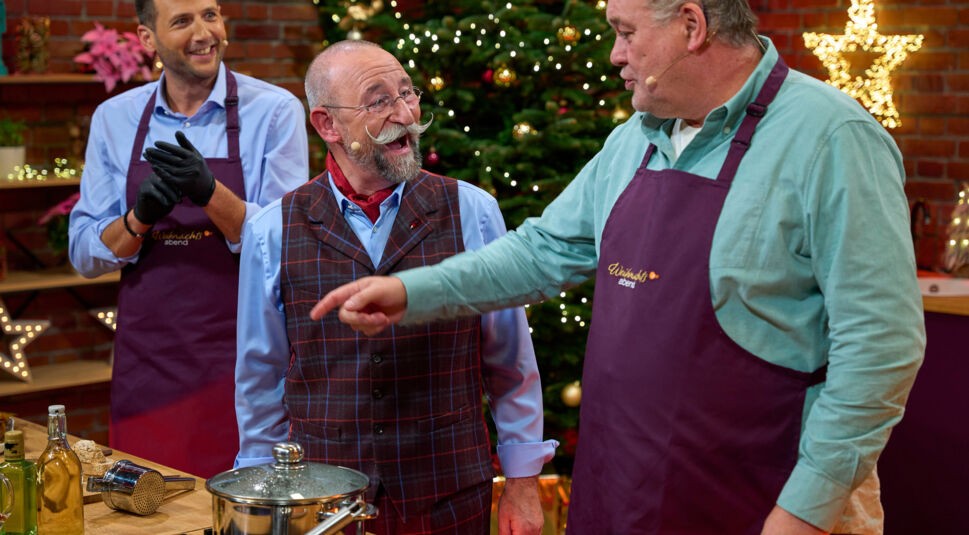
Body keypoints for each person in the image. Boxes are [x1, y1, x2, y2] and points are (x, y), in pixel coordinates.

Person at [312, 1, 928, 534]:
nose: (615, 54)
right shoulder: (636, 137)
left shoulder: (833, 138)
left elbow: (881, 347)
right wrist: (409, 291)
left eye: (626, 32)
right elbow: (541, 252)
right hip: (624, 488)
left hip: (766, 498)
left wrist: (805, 512)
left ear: (691, 26)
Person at [233, 40, 557, 535]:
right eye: (379, 101)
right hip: (321, 501)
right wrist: (260, 493)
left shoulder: (472, 211)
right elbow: (260, 380)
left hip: (448, 495)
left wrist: (523, 480)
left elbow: (509, 362)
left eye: (408, 93)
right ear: (327, 124)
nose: (406, 115)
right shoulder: (271, 229)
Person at [67, 0, 308, 478]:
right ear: (148, 38)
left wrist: (210, 192)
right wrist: (138, 219)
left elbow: (287, 244)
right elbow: (83, 254)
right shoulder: (114, 118)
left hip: (243, 363)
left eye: (210, 14)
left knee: (239, 506)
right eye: (182, 21)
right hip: (147, 367)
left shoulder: (274, 111)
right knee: (145, 506)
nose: (204, 33)